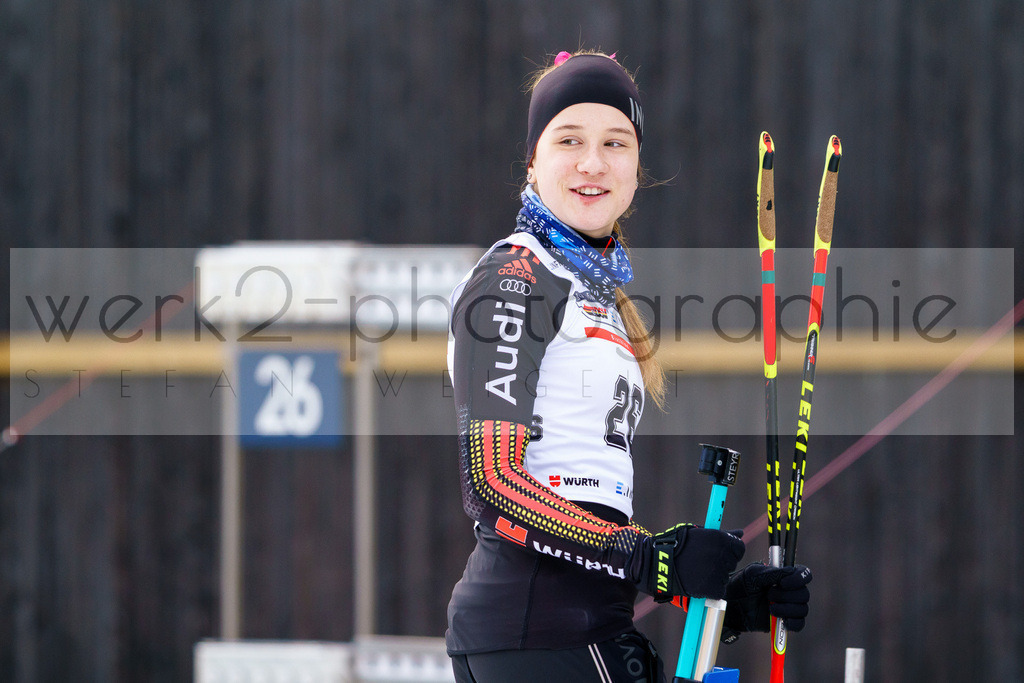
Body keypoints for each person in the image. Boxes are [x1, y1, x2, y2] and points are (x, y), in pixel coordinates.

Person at [445, 50, 812, 683]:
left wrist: (724, 601)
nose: (593, 163)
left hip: (584, 628)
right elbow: (493, 485)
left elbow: (587, 498)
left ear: (638, 169)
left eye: (615, 143)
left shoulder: (597, 294)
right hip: (535, 633)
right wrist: (648, 558)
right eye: (570, 140)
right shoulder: (516, 278)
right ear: (533, 160)